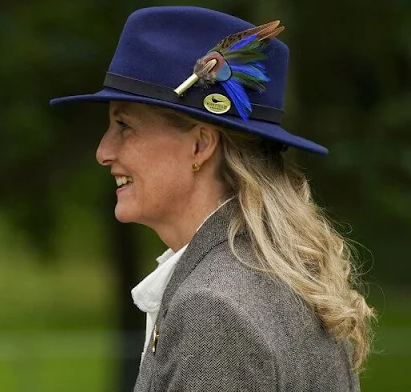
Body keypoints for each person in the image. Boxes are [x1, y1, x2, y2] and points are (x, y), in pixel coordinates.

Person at [50, 6, 374, 391]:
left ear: (200, 145)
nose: (103, 152)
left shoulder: (213, 308)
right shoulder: (272, 280)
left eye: (124, 125)